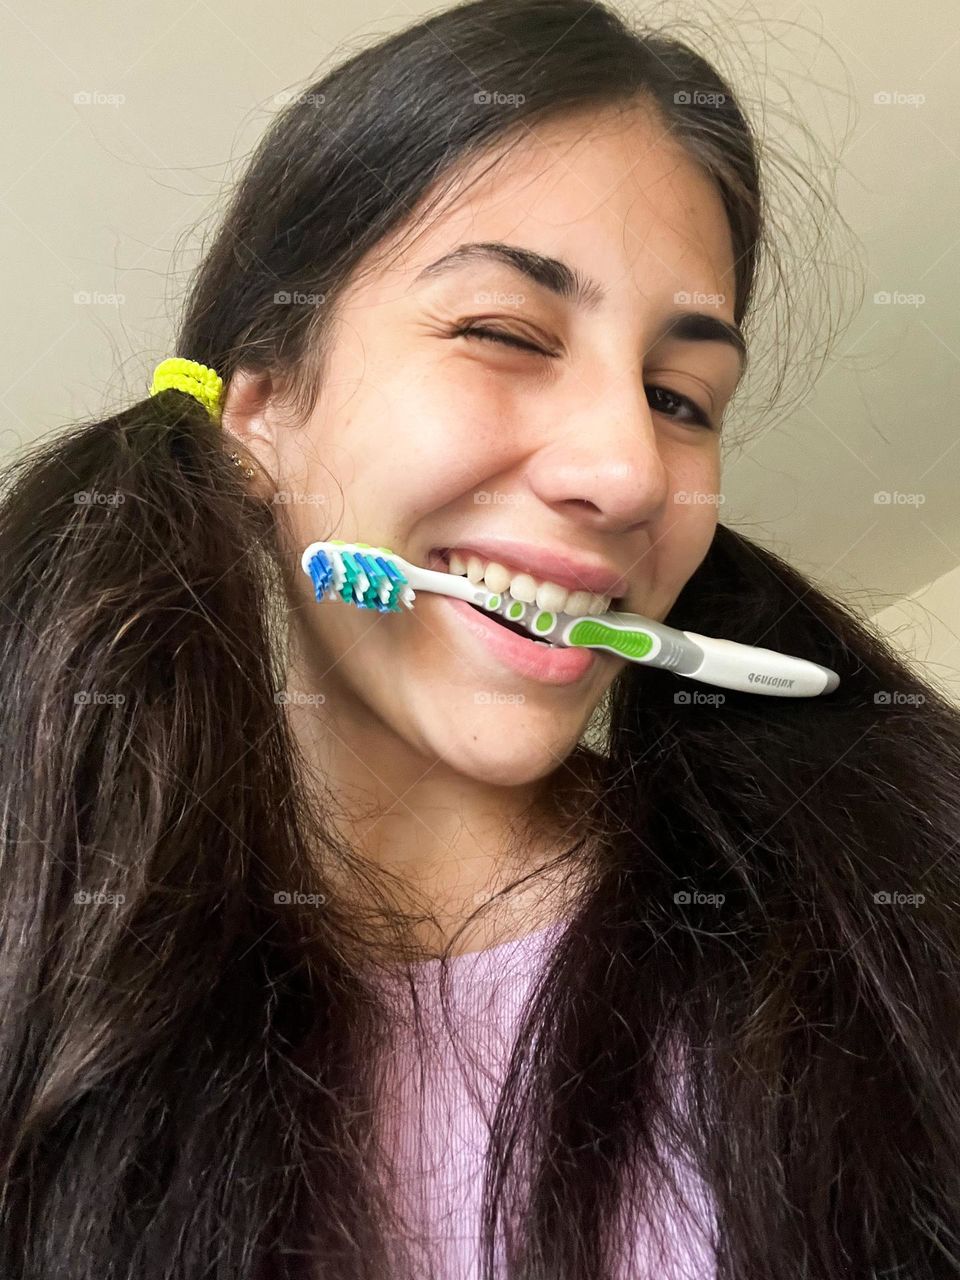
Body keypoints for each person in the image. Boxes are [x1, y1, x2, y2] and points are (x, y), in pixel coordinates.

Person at [1, 1, 958, 1277]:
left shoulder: (881, 936)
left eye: (681, 399)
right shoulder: (50, 932)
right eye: (504, 333)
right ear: (264, 406)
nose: (629, 471)